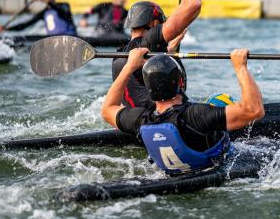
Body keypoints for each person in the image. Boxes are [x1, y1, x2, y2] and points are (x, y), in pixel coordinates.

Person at [102, 48, 265, 175]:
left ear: (148, 87)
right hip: (228, 163)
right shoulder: (195, 116)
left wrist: (130, 66)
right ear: (181, 81)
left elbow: (107, 109)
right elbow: (255, 110)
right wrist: (240, 67)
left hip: (174, 173)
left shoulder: (141, 120)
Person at [111, 0, 201, 109]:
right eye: (161, 24)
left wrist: (167, 53)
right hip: (160, 118)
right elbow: (193, 4)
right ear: (153, 24)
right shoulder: (150, 40)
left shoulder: (124, 52)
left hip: (136, 120)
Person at [0, 0, 77, 36]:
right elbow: (25, 25)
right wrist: (5, 29)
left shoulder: (65, 6)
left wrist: (46, 1)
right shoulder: (43, 13)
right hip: (54, 41)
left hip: (71, 37)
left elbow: (62, 12)